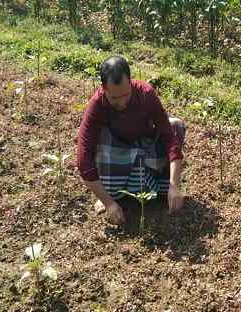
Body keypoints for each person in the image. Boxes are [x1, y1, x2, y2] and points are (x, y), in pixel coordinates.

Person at [76, 56, 185, 225]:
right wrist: (108, 202)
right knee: (101, 135)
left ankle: (158, 187)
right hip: (117, 155)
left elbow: (169, 137)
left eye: (126, 95)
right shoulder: (97, 105)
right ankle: (113, 195)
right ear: (104, 88)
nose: (122, 102)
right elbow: (83, 160)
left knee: (176, 126)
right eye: (114, 98)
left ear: (131, 83)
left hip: (145, 149)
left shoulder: (146, 93)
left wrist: (174, 184)